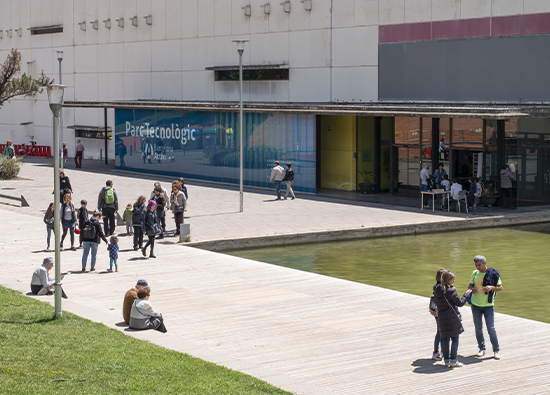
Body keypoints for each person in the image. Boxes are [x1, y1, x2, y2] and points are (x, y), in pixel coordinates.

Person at [433, 270, 472, 367]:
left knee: (445, 339)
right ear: (448, 280)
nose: (454, 281)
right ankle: (453, 360)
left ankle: (446, 361)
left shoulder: (437, 290)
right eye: (452, 279)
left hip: (442, 318)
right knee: (455, 338)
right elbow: (460, 303)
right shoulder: (451, 291)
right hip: (451, 318)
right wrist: (466, 294)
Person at [468, 255, 502, 360]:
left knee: (491, 328)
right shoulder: (474, 273)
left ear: (484, 263)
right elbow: (469, 286)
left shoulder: (493, 273)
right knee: (478, 328)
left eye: (479, 265)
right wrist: (472, 289)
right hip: (475, 305)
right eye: (476, 265)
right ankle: (481, 349)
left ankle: (496, 350)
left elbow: (500, 288)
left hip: (488, 306)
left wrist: (491, 287)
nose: (477, 267)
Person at [431, 268, 446, 361]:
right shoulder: (440, 287)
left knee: (440, 331)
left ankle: (441, 350)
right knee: (440, 331)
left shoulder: (436, 286)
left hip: (438, 311)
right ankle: (436, 351)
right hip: (440, 311)